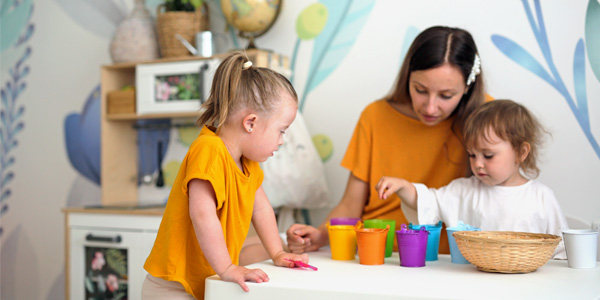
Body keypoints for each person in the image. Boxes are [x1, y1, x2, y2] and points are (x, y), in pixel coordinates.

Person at [285, 26, 486, 254]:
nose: (431, 107)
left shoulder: (487, 120)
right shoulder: (376, 116)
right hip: (376, 253)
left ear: (468, 87)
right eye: (420, 90)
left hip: (445, 260)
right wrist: (321, 235)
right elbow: (351, 204)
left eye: (446, 96)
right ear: (407, 76)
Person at [142, 51, 308, 300]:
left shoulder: (248, 163)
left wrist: (277, 253)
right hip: (173, 286)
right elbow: (202, 214)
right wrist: (227, 268)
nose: (282, 141)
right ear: (250, 123)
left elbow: (260, 208)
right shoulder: (209, 150)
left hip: (207, 281)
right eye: (281, 131)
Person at [376, 99, 568, 259]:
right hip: (469, 285)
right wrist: (402, 186)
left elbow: (561, 252)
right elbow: (427, 202)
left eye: (488, 155)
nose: (477, 164)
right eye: (472, 154)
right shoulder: (463, 190)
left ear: (521, 152)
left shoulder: (541, 197)